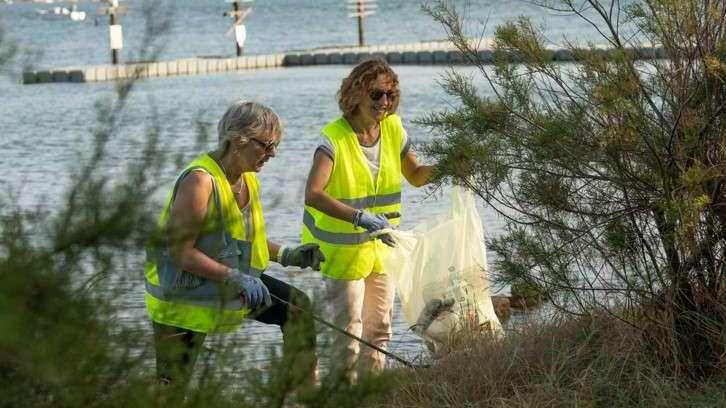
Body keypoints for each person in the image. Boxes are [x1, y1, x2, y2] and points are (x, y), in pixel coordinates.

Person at [144, 100, 324, 392]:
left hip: (226, 281)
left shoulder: (248, 180)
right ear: (238, 139)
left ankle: (305, 396)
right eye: (266, 145)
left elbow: (242, 242)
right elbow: (180, 252)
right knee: (170, 390)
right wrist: (234, 277)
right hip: (181, 296)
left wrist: (287, 254)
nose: (272, 154)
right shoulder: (200, 181)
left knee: (297, 308)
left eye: (275, 146)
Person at [302, 57, 435, 380]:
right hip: (343, 254)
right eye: (376, 95)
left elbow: (416, 175)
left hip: (382, 250)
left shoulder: (393, 129)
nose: (384, 103)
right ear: (355, 93)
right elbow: (313, 194)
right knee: (347, 334)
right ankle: (343, 395)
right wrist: (359, 217)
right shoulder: (333, 139)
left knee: (380, 329)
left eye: (390, 95)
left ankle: (372, 395)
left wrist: (453, 165)